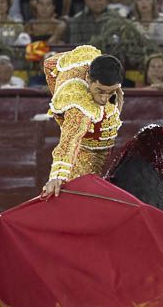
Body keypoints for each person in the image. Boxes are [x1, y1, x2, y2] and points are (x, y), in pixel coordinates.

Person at [39, 45, 124, 197]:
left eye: (110, 92)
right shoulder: (78, 102)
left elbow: (50, 63)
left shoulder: (88, 58)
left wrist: (57, 93)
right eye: (100, 91)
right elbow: (70, 139)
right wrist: (58, 176)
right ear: (89, 79)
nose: (104, 99)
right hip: (83, 153)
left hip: (102, 144)